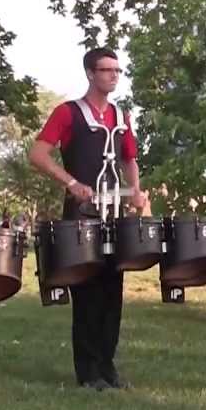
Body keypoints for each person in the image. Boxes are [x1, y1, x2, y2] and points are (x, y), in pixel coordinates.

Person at [29, 47, 146, 391]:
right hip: (81, 214)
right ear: (90, 74)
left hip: (115, 213)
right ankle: (88, 371)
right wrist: (71, 182)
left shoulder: (121, 117)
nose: (114, 75)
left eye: (117, 70)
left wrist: (136, 190)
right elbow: (37, 154)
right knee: (87, 290)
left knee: (113, 289)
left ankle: (108, 367)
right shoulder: (68, 113)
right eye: (107, 70)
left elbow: (129, 159)